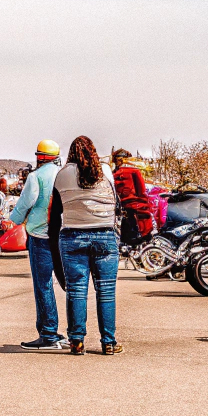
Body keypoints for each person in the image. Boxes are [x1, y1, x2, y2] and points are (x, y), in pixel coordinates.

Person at [49, 136, 121, 355]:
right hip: (105, 236)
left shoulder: (61, 175)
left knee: (77, 291)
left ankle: (77, 342)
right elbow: (116, 203)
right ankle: (108, 342)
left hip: (72, 237)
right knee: (106, 292)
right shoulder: (106, 171)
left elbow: (55, 215)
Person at [9, 139, 65, 350]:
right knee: (69, 284)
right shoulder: (63, 175)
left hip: (40, 235)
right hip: (62, 234)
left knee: (43, 285)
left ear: (39, 157)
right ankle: (71, 333)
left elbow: (25, 203)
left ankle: (49, 333)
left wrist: (13, 221)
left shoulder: (36, 176)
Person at [111, 149, 154, 243]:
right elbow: (142, 191)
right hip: (135, 209)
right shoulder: (134, 171)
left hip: (125, 210)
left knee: (127, 240)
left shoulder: (114, 174)